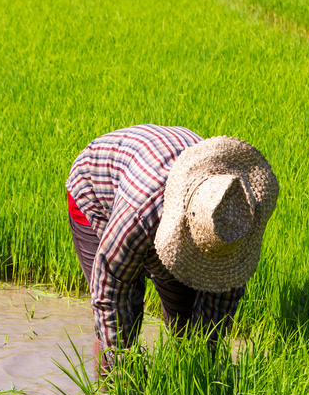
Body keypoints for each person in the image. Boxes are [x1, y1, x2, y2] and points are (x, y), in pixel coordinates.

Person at [65, 124, 279, 371]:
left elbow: (219, 303)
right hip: (95, 188)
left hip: (162, 174)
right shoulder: (142, 210)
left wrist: (201, 366)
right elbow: (109, 290)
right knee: (125, 312)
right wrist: (121, 367)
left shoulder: (234, 218)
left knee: (185, 321)